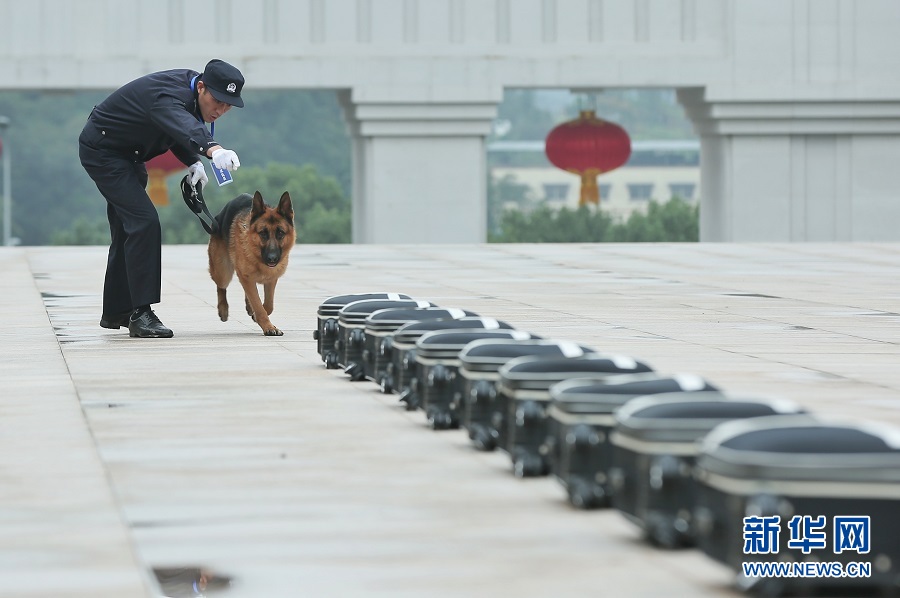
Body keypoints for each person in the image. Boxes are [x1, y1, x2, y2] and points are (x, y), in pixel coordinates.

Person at [78, 59, 245, 338]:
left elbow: (175, 129)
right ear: (201, 87)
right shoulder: (168, 95)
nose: (220, 110)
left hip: (131, 155)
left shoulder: (191, 95)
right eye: (217, 101)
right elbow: (180, 121)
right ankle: (141, 314)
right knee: (144, 222)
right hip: (104, 152)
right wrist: (213, 149)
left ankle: (118, 310)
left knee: (127, 230)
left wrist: (193, 161)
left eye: (228, 105)